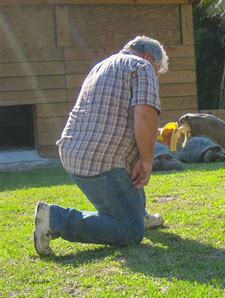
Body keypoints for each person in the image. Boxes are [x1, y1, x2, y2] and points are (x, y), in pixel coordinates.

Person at [33, 36, 168, 256]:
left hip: (73, 152)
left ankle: (139, 214)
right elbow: (144, 115)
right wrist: (146, 159)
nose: (156, 77)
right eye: (157, 71)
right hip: (102, 160)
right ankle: (55, 219)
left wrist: (144, 149)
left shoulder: (101, 66)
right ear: (149, 57)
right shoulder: (142, 66)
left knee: (130, 165)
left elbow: (117, 120)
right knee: (131, 232)